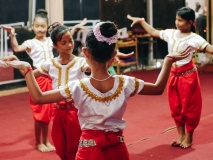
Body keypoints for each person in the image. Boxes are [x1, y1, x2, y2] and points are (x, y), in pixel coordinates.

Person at [5, 21, 190, 160]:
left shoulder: (77, 87)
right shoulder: (126, 82)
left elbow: (37, 97)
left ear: (85, 53)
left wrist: (26, 69)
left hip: (87, 148)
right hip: (118, 148)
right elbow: (158, 88)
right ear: (113, 54)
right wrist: (167, 61)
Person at [127, 6, 213, 149]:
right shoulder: (171, 33)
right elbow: (154, 32)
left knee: (189, 108)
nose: (177, 23)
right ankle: (180, 135)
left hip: (188, 77)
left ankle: (189, 137)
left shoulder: (195, 38)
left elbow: (209, 48)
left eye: (180, 20)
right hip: (173, 75)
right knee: (175, 107)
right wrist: (142, 22)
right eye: (176, 19)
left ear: (190, 22)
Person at [1, 9, 55, 152]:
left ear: (47, 26)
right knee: (39, 113)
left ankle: (45, 140)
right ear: (32, 26)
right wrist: (12, 34)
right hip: (38, 79)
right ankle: (38, 142)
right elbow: (16, 47)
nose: (40, 29)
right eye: (37, 26)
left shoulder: (50, 41)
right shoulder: (31, 42)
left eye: (43, 26)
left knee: (48, 113)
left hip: (51, 79)